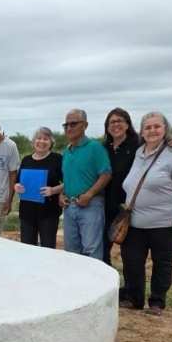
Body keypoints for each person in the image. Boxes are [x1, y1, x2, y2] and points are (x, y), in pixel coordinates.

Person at [120, 112, 172, 316]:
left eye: (157, 126)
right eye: (147, 127)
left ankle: (156, 302)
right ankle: (134, 298)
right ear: (141, 132)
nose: (152, 130)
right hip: (134, 222)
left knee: (162, 263)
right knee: (132, 262)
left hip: (164, 223)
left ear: (165, 129)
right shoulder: (139, 152)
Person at [60, 109, 112, 260]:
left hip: (90, 206)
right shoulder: (67, 151)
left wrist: (89, 194)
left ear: (85, 125)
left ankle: (95, 277)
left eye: (73, 124)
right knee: (71, 251)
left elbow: (106, 174)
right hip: (69, 207)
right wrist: (62, 194)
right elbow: (68, 179)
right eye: (66, 125)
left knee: (91, 250)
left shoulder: (95, 147)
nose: (69, 128)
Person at [13, 127, 63, 248]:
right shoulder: (26, 160)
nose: (41, 141)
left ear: (51, 142)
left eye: (46, 139)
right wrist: (17, 186)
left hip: (48, 213)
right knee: (27, 248)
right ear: (33, 141)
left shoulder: (57, 159)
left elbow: (69, 182)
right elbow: (17, 182)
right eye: (38, 138)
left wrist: (53, 190)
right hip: (27, 212)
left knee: (48, 248)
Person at [102, 108, 141, 264]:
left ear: (127, 124)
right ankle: (106, 277)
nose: (115, 125)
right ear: (107, 126)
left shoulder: (138, 145)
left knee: (130, 252)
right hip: (106, 205)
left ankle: (130, 280)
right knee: (102, 248)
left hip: (128, 207)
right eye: (112, 122)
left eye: (119, 121)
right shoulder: (103, 148)